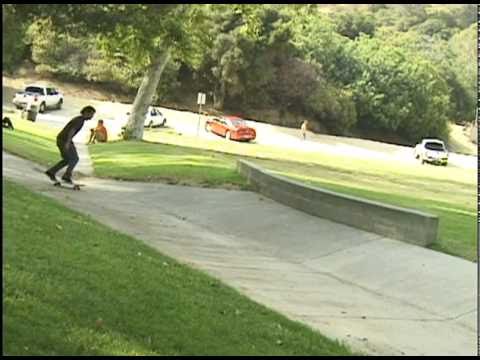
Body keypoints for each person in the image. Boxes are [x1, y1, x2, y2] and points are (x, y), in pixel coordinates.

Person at [45, 106, 96, 184]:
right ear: (86, 112)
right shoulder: (79, 120)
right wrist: (68, 143)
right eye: (91, 114)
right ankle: (66, 176)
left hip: (61, 139)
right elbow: (71, 131)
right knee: (74, 158)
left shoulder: (79, 119)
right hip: (64, 140)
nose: (92, 117)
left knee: (67, 159)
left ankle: (52, 171)